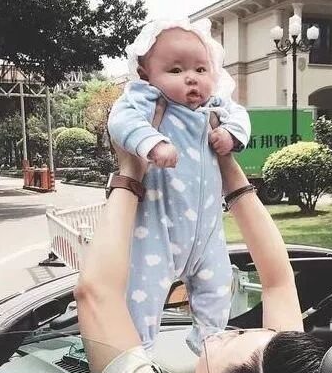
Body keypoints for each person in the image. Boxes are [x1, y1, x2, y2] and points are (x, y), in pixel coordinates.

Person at [74, 144, 329, 373]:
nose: (222, 334)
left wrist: (130, 172)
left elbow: (96, 293)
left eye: (225, 340)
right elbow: (278, 282)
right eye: (243, 331)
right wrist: (226, 164)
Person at [107, 18, 251, 354]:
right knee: (143, 292)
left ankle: (208, 345)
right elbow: (121, 120)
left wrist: (231, 135)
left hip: (207, 232)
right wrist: (153, 143)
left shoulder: (216, 106)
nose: (191, 78)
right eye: (175, 70)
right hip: (157, 230)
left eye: (201, 69)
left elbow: (242, 117)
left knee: (219, 285)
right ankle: (140, 351)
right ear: (145, 74)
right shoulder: (150, 101)